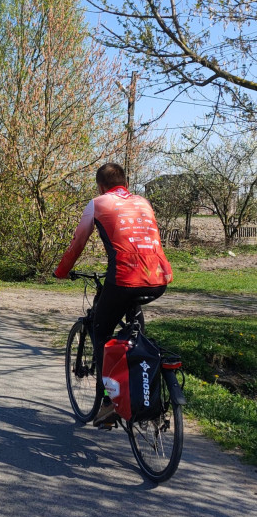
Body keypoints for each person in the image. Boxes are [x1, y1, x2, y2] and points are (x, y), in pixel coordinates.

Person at [54, 162, 173, 426]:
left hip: (124, 279)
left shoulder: (98, 203)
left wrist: (61, 271)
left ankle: (108, 403)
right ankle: (143, 382)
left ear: (100, 186)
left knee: (100, 331)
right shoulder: (144, 202)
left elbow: (78, 244)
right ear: (126, 184)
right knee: (135, 332)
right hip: (159, 278)